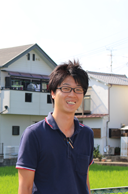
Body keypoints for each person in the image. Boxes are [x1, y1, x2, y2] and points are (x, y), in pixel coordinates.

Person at [16, 60, 94, 194]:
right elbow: (25, 188)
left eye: (78, 89)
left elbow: (84, 181)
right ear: (52, 92)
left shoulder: (87, 134)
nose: (72, 94)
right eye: (66, 88)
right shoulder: (34, 134)